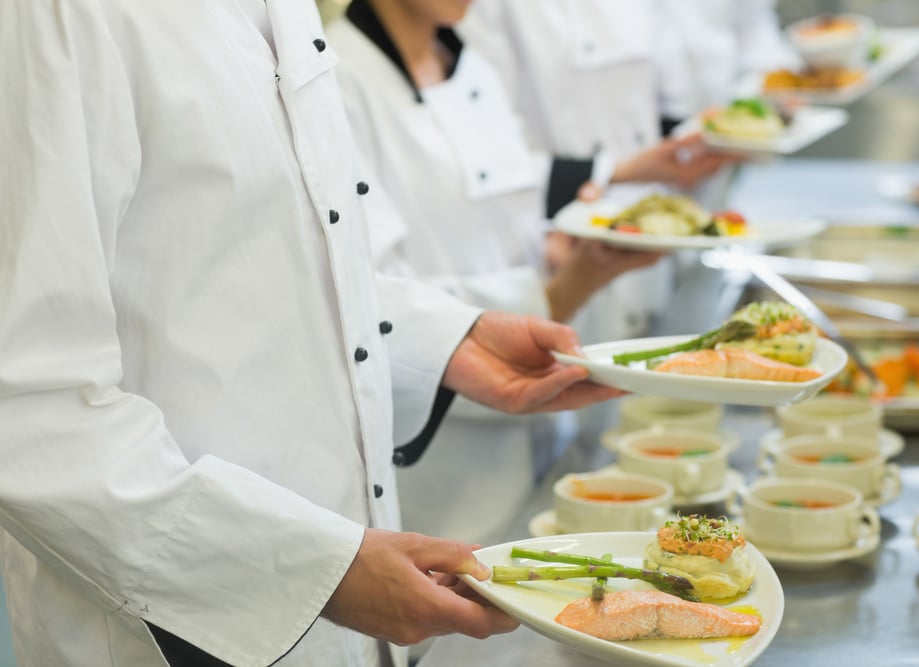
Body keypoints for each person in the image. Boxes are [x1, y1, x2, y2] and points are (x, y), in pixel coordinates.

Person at [0, 2, 622, 666]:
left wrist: (447, 340)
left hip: (343, 584)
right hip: (178, 628)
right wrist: (311, 571)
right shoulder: (53, 15)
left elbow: (285, 261)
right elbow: (30, 405)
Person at [324, 0, 733, 548]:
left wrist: (567, 249)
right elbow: (368, 301)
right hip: (444, 461)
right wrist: (561, 290)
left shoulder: (470, 66)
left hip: (539, 427)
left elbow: (506, 202)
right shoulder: (337, 84)